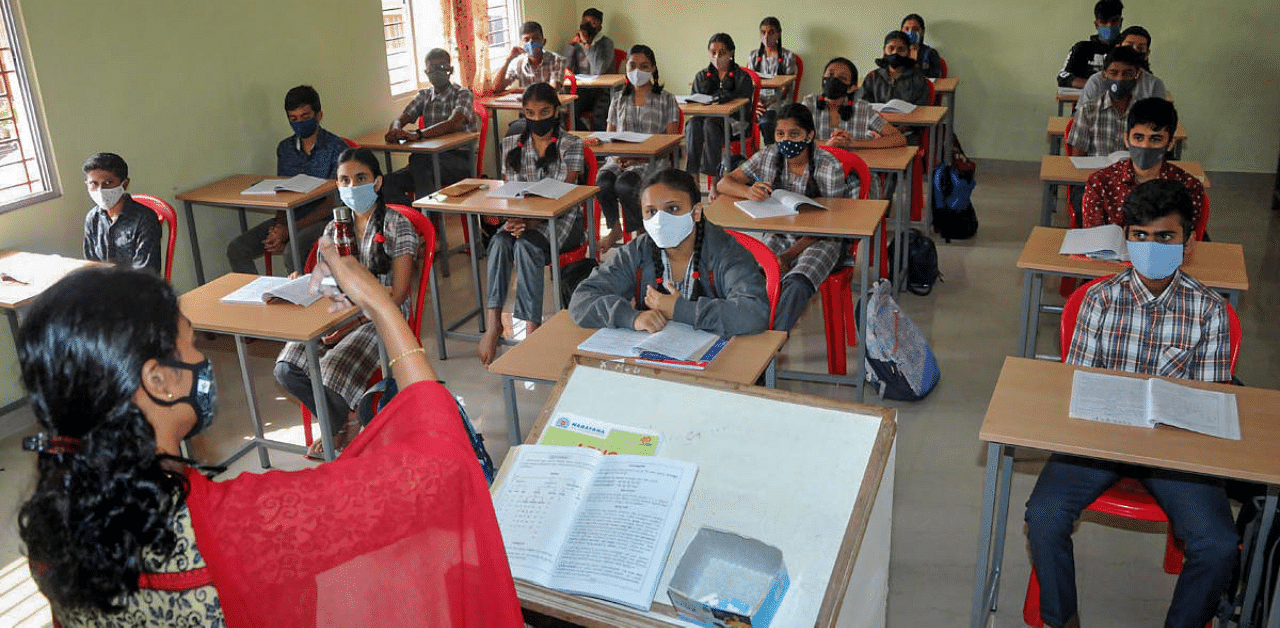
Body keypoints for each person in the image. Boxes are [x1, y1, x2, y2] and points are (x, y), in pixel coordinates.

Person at [16, 241, 523, 626]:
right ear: (160, 380)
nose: (200, 359)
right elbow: (442, 466)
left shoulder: (52, 516)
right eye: (191, 346)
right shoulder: (239, 526)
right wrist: (380, 306)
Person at [1025, 179, 1239, 628]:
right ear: (1127, 238)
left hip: (1173, 455)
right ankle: (1062, 619)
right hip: (1100, 439)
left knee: (1217, 543)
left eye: (1166, 237)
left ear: (1189, 242)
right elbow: (1077, 383)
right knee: (1043, 514)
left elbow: (1207, 404)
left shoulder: (1210, 311)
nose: (1151, 246)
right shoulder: (1099, 300)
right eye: (1140, 236)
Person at [274, 148, 418, 459]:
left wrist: (351, 324)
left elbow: (399, 293)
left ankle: (337, 425)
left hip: (383, 314)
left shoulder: (396, 225)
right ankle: (344, 420)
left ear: (377, 182)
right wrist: (302, 281)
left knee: (329, 369)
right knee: (287, 367)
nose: (352, 187)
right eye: (344, 181)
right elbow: (326, 279)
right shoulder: (334, 228)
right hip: (339, 311)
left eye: (360, 179)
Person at [570, 168, 769, 336]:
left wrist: (680, 310)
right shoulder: (637, 251)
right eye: (651, 212)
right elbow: (581, 300)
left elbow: (754, 313)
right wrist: (632, 318)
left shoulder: (726, 251)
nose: (660, 220)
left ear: (696, 212)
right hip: (657, 361)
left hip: (719, 359)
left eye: (673, 208)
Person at [716, 104, 850, 332]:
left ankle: (771, 342)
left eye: (794, 134)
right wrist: (748, 191)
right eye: (780, 134)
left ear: (810, 135)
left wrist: (788, 256)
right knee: (756, 274)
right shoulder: (769, 155)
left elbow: (832, 225)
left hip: (821, 239)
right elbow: (724, 183)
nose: (786, 140)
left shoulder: (829, 166)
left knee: (796, 284)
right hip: (779, 233)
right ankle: (745, 327)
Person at [479, 83, 585, 365]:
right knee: (500, 242)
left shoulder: (571, 144)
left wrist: (526, 218)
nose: (538, 119)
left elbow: (564, 192)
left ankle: (532, 329)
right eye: (530, 113)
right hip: (520, 218)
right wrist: (512, 218)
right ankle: (493, 324)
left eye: (544, 112)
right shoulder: (510, 145)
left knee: (526, 247)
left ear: (556, 111)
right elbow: (508, 191)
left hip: (560, 220)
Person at [226, 85, 346, 274]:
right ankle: (258, 298)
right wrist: (279, 227)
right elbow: (282, 192)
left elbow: (331, 203)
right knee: (238, 249)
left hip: (325, 220)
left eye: (305, 117)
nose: (299, 123)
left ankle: (302, 300)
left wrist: (290, 230)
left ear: (319, 115)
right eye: (293, 119)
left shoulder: (337, 148)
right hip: (290, 219)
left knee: (293, 251)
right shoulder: (285, 149)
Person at [594, 44, 680, 250]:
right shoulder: (618, 99)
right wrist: (617, 157)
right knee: (603, 182)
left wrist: (637, 158)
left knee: (625, 185)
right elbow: (609, 136)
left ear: (653, 69)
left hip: (651, 161)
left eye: (644, 66)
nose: (637, 71)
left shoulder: (666, 99)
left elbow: (671, 141)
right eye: (632, 65)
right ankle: (615, 229)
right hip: (618, 159)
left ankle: (642, 232)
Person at [1081, 98, 1202, 230]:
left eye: (1155, 139)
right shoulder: (1100, 182)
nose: (1145, 146)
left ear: (1170, 144)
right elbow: (1093, 239)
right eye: (1138, 138)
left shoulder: (1189, 186)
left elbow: (1184, 239)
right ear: (1126, 140)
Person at [381, 48, 477, 205]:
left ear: (450, 70)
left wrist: (418, 134)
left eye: (442, 67)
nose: (437, 72)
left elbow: (454, 122)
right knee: (387, 182)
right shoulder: (423, 96)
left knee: (419, 160)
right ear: (426, 72)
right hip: (428, 161)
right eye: (432, 69)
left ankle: (428, 219)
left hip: (459, 160)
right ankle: (414, 220)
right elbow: (401, 118)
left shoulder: (462, 94)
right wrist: (396, 129)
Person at [686, 33, 754, 178]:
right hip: (707, 118)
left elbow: (744, 108)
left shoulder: (741, 77)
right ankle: (693, 176)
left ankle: (714, 181)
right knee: (692, 124)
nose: (717, 57)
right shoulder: (701, 76)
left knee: (711, 124)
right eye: (713, 52)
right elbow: (695, 104)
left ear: (731, 53)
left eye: (722, 52)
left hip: (734, 122)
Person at [81, 152, 161, 274]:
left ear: (125, 184)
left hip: (137, 289)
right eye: (94, 184)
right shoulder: (93, 218)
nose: (100, 190)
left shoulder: (144, 219)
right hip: (103, 287)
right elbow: (92, 265)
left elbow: (146, 273)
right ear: (86, 184)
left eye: (108, 183)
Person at [801, 57, 906, 150]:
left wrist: (853, 144)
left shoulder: (862, 108)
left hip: (855, 168)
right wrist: (827, 144)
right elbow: (795, 137)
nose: (833, 80)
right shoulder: (809, 103)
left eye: (842, 78)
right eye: (830, 74)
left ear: (852, 88)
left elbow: (899, 138)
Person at [1066, 45, 1145, 156]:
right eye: (1113, 73)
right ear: (1104, 75)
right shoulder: (1087, 111)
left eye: (1127, 73)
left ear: (1138, 76)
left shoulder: (1146, 114)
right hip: (1096, 172)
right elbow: (1077, 158)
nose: (1120, 79)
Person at [1078, 25, 1166, 105]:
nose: (1134, 51)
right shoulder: (1097, 81)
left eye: (1140, 48)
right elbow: (1082, 117)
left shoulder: (1154, 85)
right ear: (1118, 47)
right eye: (1129, 46)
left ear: (1147, 54)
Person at [748, 17, 798, 145]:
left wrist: (768, 104)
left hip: (778, 102)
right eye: (763, 32)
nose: (766, 36)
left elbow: (786, 89)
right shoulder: (753, 56)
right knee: (737, 119)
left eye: (771, 32)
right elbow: (750, 84)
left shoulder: (788, 56)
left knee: (767, 121)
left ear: (779, 33)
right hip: (758, 101)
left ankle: (773, 152)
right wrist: (757, 102)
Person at [562, 7, 614, 130]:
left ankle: (599, 142)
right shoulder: (577, 43)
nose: (587, 26)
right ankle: (583, 136)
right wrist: (571, 46)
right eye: (584, 22)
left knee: (599, 115)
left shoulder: (606, 43)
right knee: (567, 111)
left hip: (602, 90)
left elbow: (599, 70)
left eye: (592, 23)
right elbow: (565, 68)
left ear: (599, 27)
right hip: (582, 89)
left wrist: (587, 45)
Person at [1057, 0, 1124, 88]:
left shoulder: (1128, 48)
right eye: (1104, 22)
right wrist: (1096, 86)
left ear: (1121, 22)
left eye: (1114, 21)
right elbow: (1063, 77)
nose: (1109, 26)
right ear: (1096, 24)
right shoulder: (1082, 48)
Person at [857, 31, 932, 107]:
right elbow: (863, 105)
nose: (895, 52)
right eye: (891, 48)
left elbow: (921, 108)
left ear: (908, 52)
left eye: (901, 49)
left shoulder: (918, 78)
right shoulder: (872, 77)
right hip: (877, 118)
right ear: (884, 50)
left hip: (908, 118)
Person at [493, 21, 566, 94]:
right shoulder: (519, 64)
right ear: (522, 44)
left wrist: (521, 91)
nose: (531, 43)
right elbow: (497, 88)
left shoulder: (556, 60)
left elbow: (553, 89)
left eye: (535, 39)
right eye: (526, 40)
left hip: (552, 104)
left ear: (543, 42)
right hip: (529, 105)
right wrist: (508, 60)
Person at [900, 13, 942, 79]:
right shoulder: (896, 52)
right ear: (901, 31)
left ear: (922, 32)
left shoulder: (930, 53)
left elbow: (934, 78)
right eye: (907, 29)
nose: (910, 32)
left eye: (915, 29)